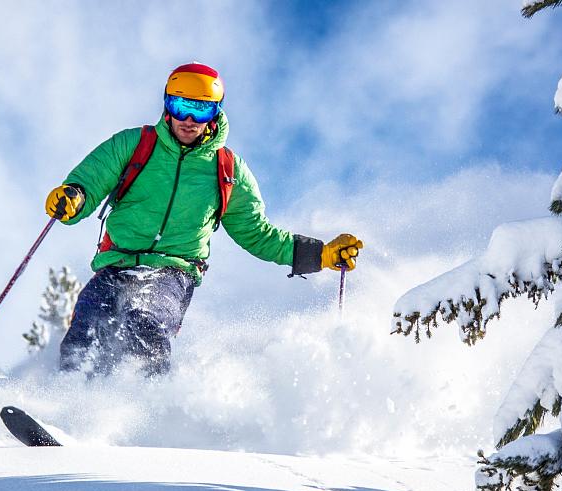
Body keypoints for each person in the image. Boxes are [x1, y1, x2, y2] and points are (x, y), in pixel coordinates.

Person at [43, 62, 362, 376]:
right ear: (167, 105)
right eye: (181, 106)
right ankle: (69, 406)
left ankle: (144, 408)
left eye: (202, 110)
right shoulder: (135, 145)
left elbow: (257, 233)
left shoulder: (227, 170)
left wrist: (319, 255)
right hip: (116, 264)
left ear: (216, 113)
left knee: (144, 323)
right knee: (86, 328)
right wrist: (73, 198)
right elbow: (90, 182)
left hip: (172, 272)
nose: (190, 120)